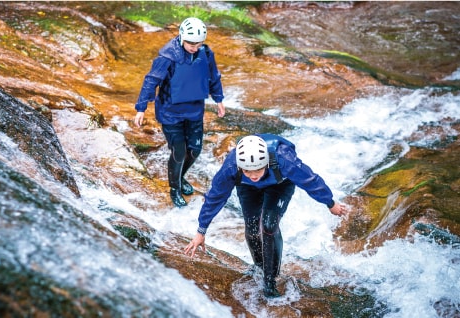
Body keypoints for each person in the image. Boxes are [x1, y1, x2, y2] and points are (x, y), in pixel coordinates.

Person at [184, 134, 347, 298]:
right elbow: (215, 197)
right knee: (252, 228)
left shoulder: (284, 159)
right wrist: (201, 231)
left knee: (268, 224)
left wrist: (330, 203)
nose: (254, 175)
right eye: (248, 171)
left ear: (267, 163)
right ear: (241, 167)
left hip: (279, 185)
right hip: (247, 188)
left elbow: (310, 181)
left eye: (258, 170)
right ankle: (260, 268)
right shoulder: (231, 167)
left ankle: (270, 281)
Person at [134, 17, 225, 207]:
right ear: (182, 37)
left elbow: (213, 76)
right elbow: (151, 81)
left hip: (194, 109)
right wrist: (141, 108)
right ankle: (174, 188)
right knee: (179, 151)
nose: (194, 47)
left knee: (195, 149)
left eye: (197, 43)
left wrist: (218, 99)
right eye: (190, 43)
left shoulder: (206, 53)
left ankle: (180, 177)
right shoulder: (168, 57)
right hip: (170, 112)